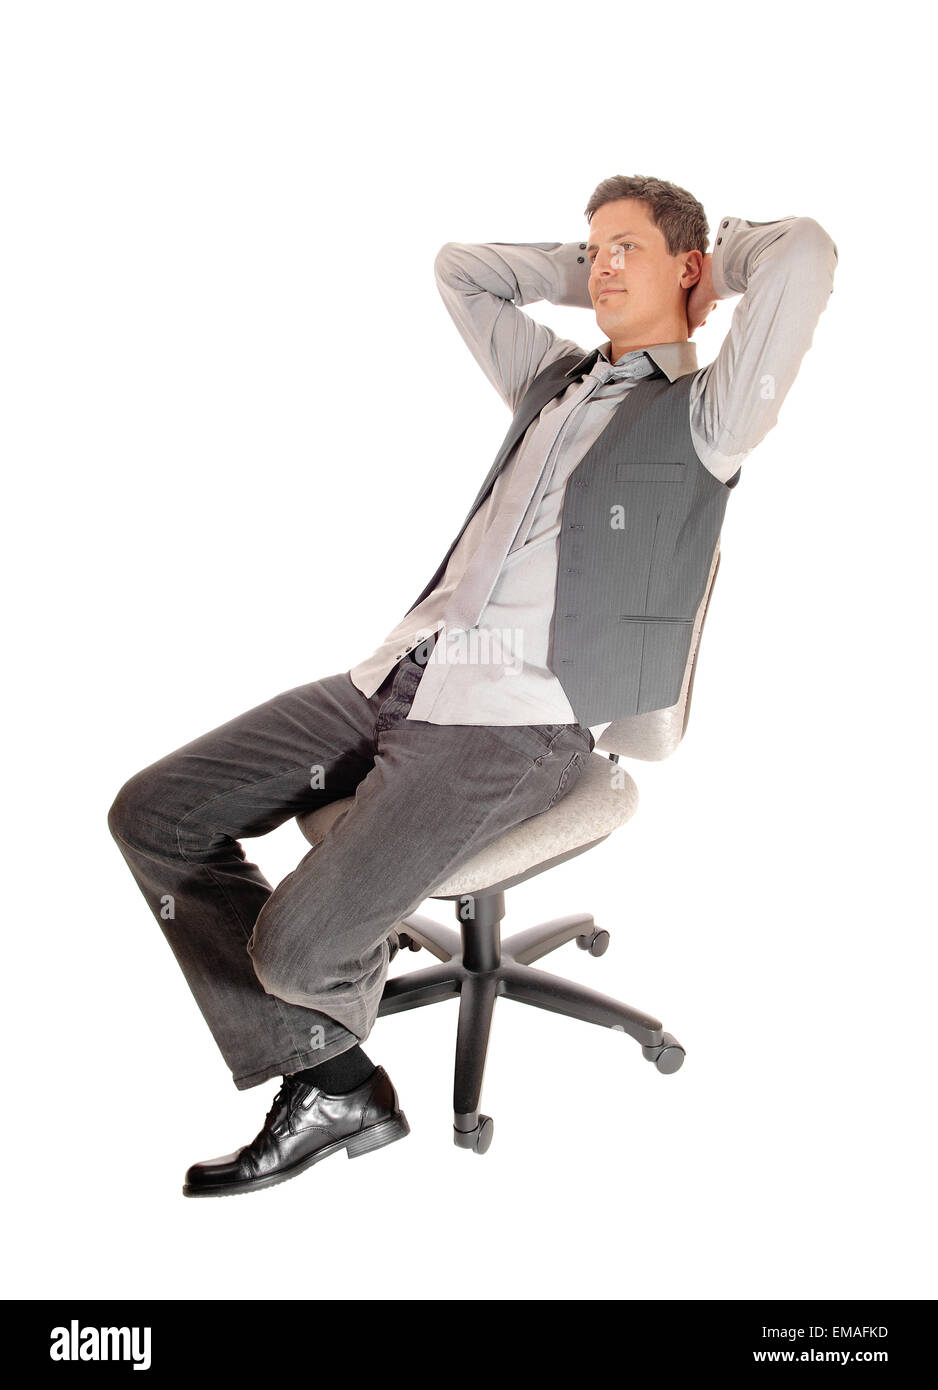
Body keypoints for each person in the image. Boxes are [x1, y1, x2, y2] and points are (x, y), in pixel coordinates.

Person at [107, 173, 837, 1197]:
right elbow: (464, 272)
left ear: (687, 268)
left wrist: (709, 260)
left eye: (625, 247)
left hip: (514, 724)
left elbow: (803, 252)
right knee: (156, 814)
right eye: (592, 251)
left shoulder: (705, 416)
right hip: (399, 674)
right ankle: (337, 1082)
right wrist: (600, 276)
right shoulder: (552, 378)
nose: (601, 265)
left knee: (293, 947)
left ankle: (322, 1067)